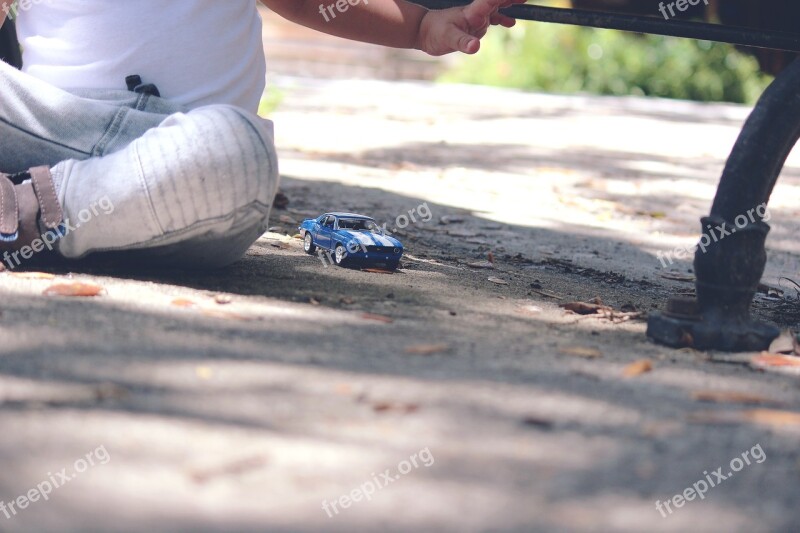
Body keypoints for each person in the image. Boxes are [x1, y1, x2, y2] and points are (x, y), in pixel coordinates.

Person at [0, 0, 520, 270]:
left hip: (191, 169)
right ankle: (36, 214)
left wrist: (421, 25)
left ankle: (27, 212)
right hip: (55, 132)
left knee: (243, 150)